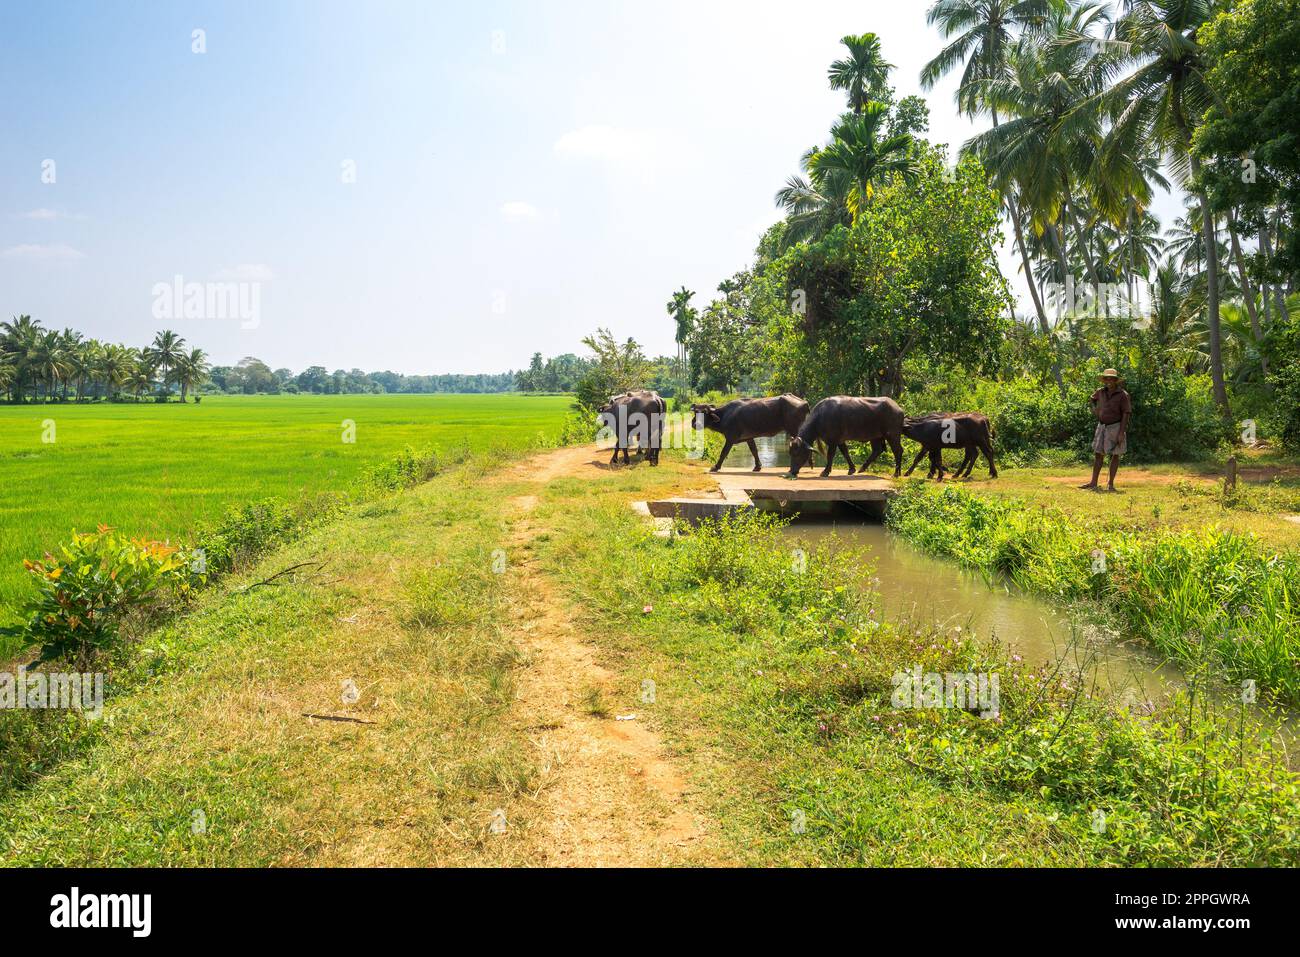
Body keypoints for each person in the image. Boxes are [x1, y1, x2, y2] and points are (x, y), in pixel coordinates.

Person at [1080, 369, 1131, 492]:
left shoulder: (1123, 395)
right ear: (1104, 380)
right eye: (1107, 378)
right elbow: (1092, 399)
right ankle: (1093, 482)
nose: (1109, 381)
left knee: (1115, 454)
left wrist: (1121, 433)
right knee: (1098, 454)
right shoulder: (1100, 392)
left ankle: (1111, 484)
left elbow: (1126, 413)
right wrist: (1094, 409)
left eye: (1111, 379)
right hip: (1102, 426)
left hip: (1115, 427)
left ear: (1115, 380)